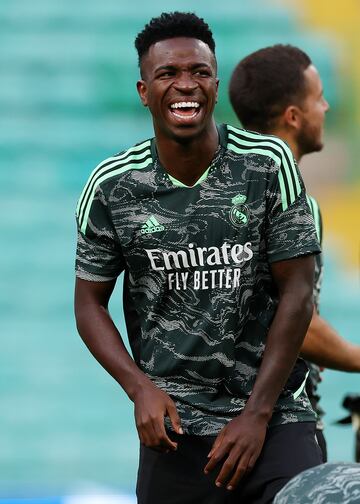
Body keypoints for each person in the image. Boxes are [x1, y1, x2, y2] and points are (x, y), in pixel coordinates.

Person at [75, 13, 322, 504]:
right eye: (168, 74)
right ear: (145, 91)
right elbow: (88, 305)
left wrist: (256, 414)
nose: (184, 85)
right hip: (175, 432)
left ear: (215, 83)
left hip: (275, 423)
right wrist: (139, 389)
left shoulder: (268, 163)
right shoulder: (112, 185)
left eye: (199, 72)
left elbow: (299, 290)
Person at [229, 44, 360, 463]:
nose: (325, 106)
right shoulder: (291, 201)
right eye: (317, 97)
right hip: (280, 425)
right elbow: (295, 320)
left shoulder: (227, 192)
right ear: (293, 116)